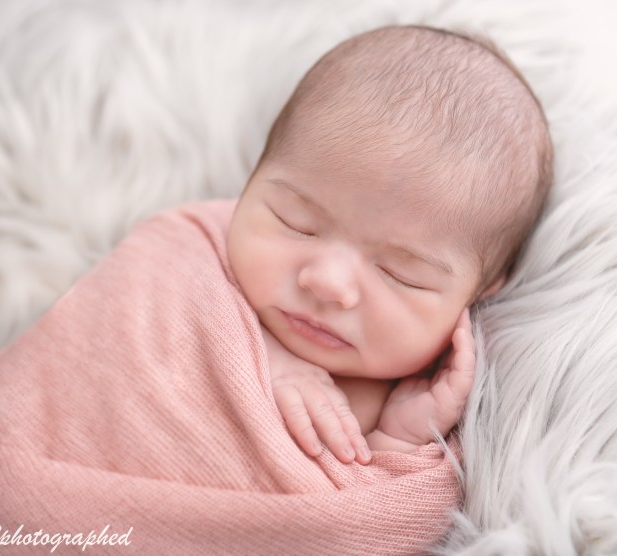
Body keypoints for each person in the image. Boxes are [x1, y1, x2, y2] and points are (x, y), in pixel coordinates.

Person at [226, 25, 554, 465]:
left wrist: (398, 440)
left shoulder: (404, 408)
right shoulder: (197, 250)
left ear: (478, 293)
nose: (329, 283)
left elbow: (356, 508)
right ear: (252, 182)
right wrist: (260, 357)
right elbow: (154, 279)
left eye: (400, 275)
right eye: (298, 224)